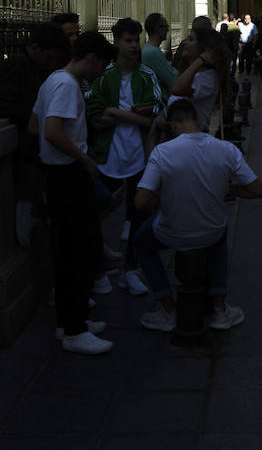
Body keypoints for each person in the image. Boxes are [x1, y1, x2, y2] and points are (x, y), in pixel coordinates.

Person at [134, 99, 262, 332]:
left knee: (141, 244)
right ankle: (219, 307)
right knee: (220, 230)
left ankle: (168, 309)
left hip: (171, 233)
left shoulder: (162, 152)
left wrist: (164, 195)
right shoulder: (226, 149)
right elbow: (257, 191)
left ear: (173, 126)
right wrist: (229, 188)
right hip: (211, 232)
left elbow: (140, 201)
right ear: (197, 120)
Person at [29, 31, 115, 355]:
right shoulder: (67, 85)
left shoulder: (52, 80)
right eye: (101, 65)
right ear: (92, 58)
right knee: (84, 251)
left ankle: (70, 321)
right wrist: (84, 158)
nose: (100, 73)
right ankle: (75, 329)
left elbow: (33, 127)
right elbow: (51, 132)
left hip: (57, 174)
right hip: (69, 175)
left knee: (68, 251)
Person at [86, 17, 163, 295]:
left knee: (138, 213)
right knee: (95, 208)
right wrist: (130, 115)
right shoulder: (104, 76)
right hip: (108, 154)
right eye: (128, 40)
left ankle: (129, 269)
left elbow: (155, 119)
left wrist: (115, 113)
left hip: (140, 154)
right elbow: (94, 119)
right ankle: (98, 268)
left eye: (136, 40)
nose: (133, 46)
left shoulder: (147, 76)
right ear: (116, 42)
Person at [0, 23, 71, 246]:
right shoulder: (18, 66)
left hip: (34, 151)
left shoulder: (39, 68)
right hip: (24, 153)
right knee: (28, 212)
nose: (53, 64)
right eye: (50, 58)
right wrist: (36, 114)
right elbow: (4, 104)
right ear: (36, 48)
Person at [170, 27, 231, 132]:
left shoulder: (207, 78)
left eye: (191, 40)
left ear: (204, 48)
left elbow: (177, 90)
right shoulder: (194, 74)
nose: (185, 43)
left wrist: (201, 60)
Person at [141, 13, 177, 104]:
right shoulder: (153, 52)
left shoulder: (148, 49)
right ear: (157, 29)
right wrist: (173, 69)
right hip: (158, 102)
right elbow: (173, 80)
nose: (168, 29)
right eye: (165, 26)